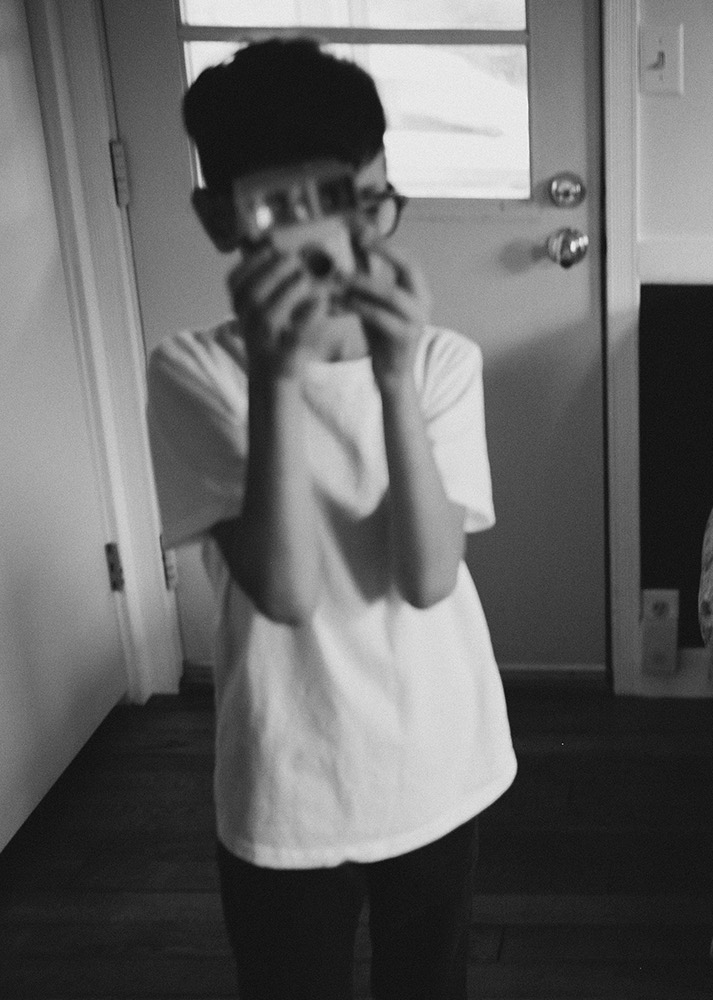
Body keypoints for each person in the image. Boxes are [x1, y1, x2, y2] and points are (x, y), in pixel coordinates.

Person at [145, 39, 514, 999]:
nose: (348, 239)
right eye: (294, 208)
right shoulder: (195, 371)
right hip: (287, 776)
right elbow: (287, 591)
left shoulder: (440, 362)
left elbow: (428, 578)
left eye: (367, 201)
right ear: (223, 220)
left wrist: (392, 379)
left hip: (435, 757)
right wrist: (277, 379)